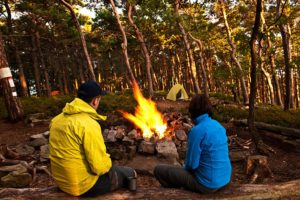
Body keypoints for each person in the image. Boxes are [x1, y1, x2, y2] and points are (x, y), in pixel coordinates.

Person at [49, 80, 137, 197]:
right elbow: (99, 167)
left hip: (62, 182)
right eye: (99, 99)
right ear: (95, 100)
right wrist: (109, 162)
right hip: (82, 186)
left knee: (116, 170)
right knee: (130, 173)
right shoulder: (88, 124)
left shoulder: (56, 120)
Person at [154, 94, 231, 194]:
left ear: (193, 111)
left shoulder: (197, 131)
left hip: (207, 185)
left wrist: (182, 169)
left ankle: (173, 193)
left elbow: (192, 166)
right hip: (225, 179)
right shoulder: (218, 125)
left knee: (159, 170)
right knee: (177, 172)